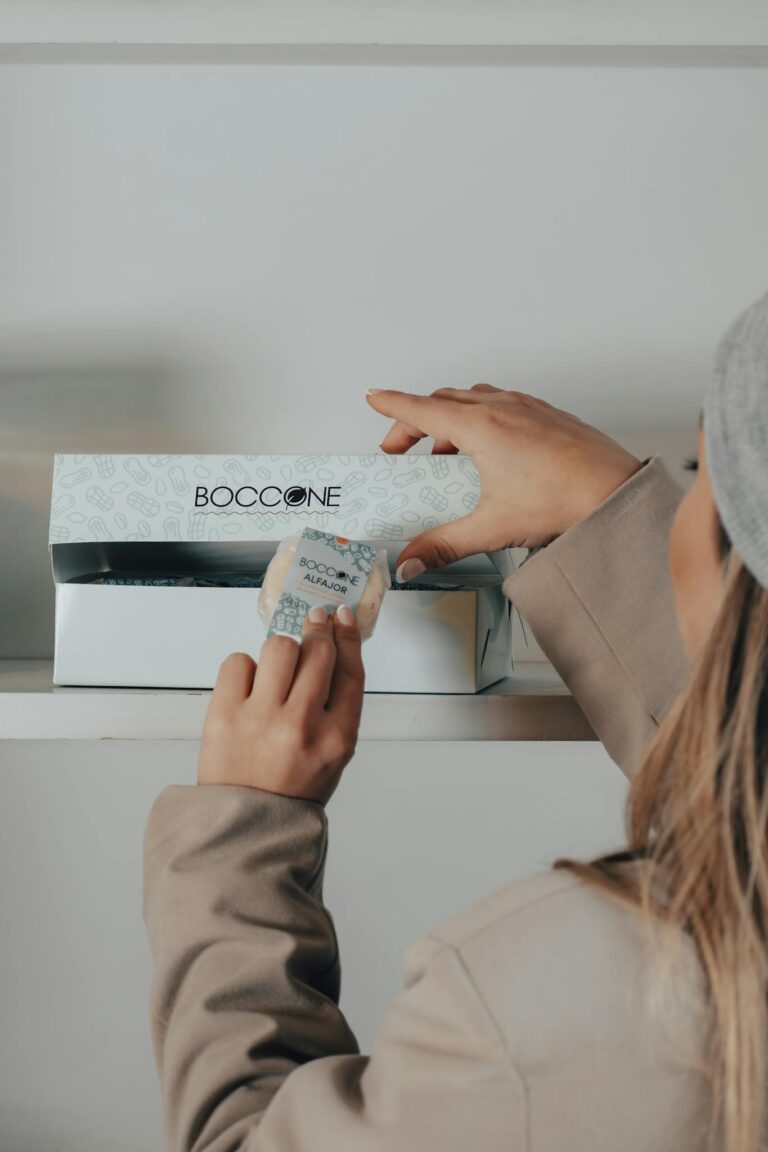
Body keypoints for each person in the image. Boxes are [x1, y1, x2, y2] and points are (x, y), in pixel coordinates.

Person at [143, 290, 768, 1152]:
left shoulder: (564, 1007)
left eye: (697, 479)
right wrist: (609, 511)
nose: (678, 508)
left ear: (722, 560)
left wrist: (242, 838)